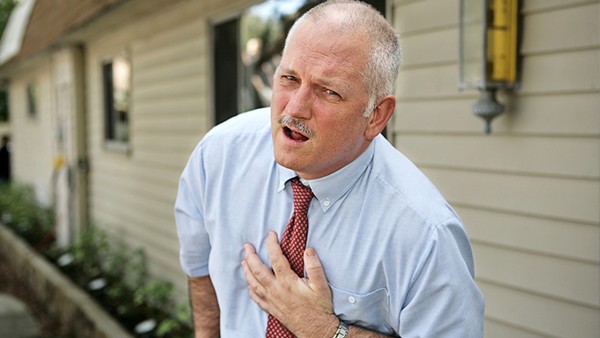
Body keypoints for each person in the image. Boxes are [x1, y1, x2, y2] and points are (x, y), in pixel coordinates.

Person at [175, 1, 484, 337]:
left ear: (377, 115)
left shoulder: (426, 234)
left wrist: (325, 330)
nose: (294, 108)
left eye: (329, 92)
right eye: (289, 78)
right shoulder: (218, 156)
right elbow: (199, 269)